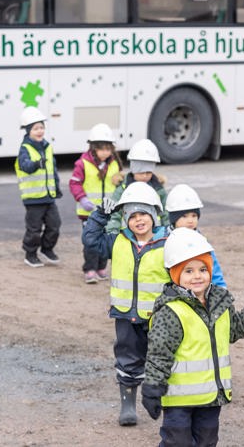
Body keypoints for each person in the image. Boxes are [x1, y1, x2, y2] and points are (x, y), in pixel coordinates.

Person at [142, 227, 244, 445]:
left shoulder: (220, 302)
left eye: (203, 269)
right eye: (189, 271)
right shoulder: (171, 311)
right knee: (178, 443)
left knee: (207, 441)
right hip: (179, 399)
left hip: (212, 396)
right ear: (175, 274)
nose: (197, 276)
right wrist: (153, 386)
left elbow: (234, 329)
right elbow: (159, 353)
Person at [82, 181, 170, 427]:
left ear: (154, 215)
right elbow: (90, 241)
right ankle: (128, 405)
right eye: (132, 216)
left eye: (143, 214)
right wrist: (100, 215)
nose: (138, 220)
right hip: (125, 315)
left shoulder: (168, 243)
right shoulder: (117, 241)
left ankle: (160, 400)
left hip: (159, 318)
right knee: (128, 358)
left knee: (160, 358)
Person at [69, 123, 123, 284]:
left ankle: (101, 267)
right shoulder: (82, 164)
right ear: (93, 148)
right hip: (89, 212)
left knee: (106, 240)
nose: (106, 152)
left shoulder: (114, 163)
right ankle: (90, 269)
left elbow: (120, 183)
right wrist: (82, 199)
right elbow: (74, 183)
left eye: (109, 149)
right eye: (102, 149)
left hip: (109, 212)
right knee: (91, 242)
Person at [15, 107, 62, 267]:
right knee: (34, 229)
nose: (39, 131)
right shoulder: (25, 149)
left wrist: (56, 187)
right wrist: (36, 164)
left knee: (55, 225)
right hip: (33, 199)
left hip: (48, 196)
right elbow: (25, 166)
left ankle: (47, 249)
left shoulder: (47, 147)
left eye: (41, 127)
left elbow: (52, 169)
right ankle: (30, 253)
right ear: (28, 131)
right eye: (35, 128)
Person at [165, 183, 227, 288]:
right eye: (184, 216)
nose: (190, 220)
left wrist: (222, 292)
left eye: (194, 216)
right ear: (173, 219)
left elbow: (214, 270)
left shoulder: (201, 242)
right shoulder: (163, 240)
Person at [105, 138, 169, 233]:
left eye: (148, 172)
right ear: (134, 169)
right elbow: (114, 214)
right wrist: (112, 234)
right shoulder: (122, 189)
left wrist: (168, 230)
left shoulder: (158, 189)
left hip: (154, 235)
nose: (144, 176)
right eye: (141, 172)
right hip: (127, 236)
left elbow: (166, 213)